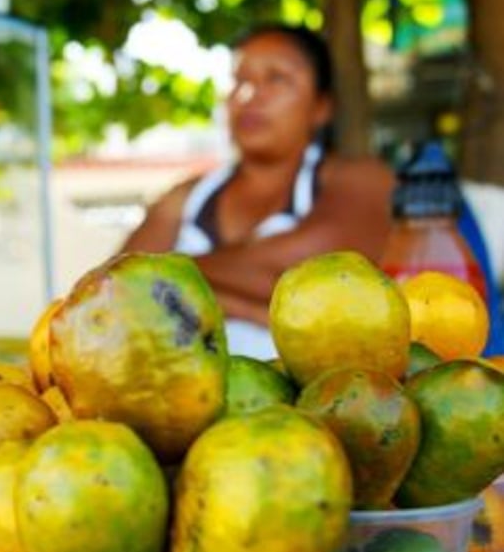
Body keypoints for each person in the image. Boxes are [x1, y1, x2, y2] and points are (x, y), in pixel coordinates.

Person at [120, 23, 394, 357]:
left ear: (322, 107)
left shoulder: (362, 178)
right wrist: (254, 311)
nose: (248, 96)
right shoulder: (187, 198)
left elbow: (312, 282)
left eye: (276, 78)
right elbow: (112, 292)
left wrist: (164, 283)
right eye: (239, 80)